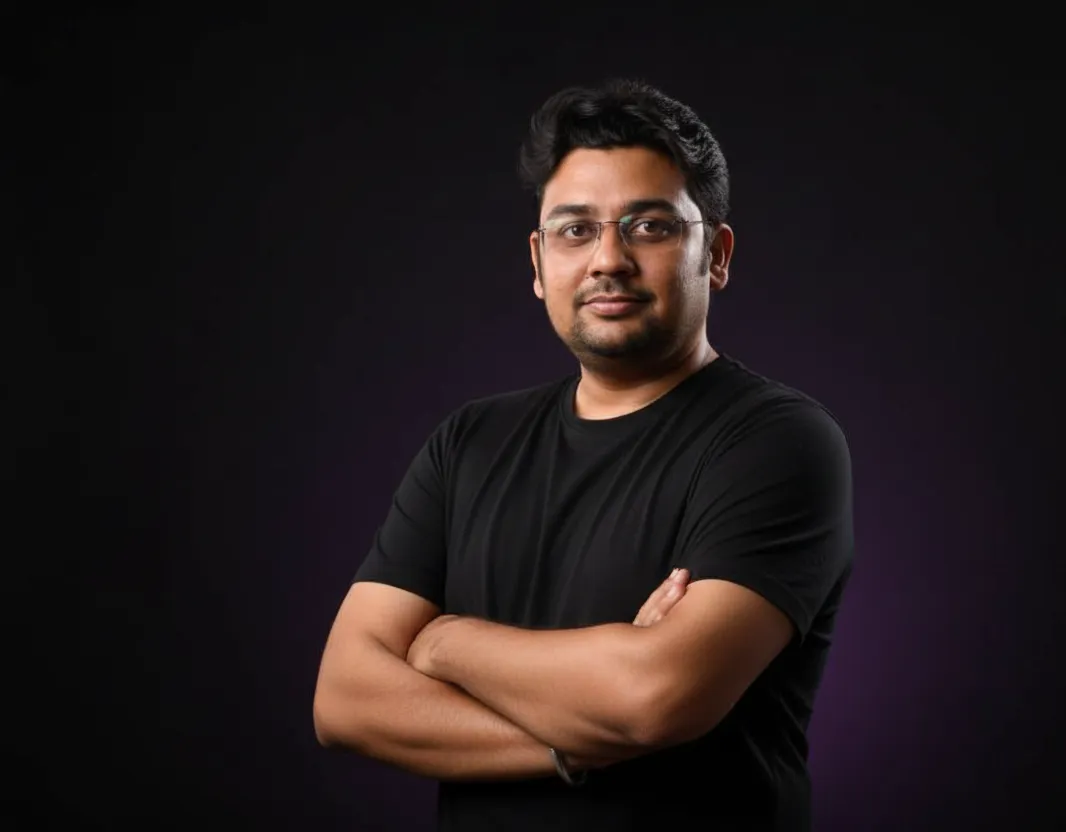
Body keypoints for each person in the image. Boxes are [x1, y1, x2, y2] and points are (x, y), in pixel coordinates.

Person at [312, 79, 855, 831]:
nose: (608, 259)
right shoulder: (468, 444)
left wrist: (444, 642)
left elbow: (655, 697)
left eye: (650, 226)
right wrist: (582, 737)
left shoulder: (777, 441)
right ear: (538, 263)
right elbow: (345, 698)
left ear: (716, 254)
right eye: (575, 230)